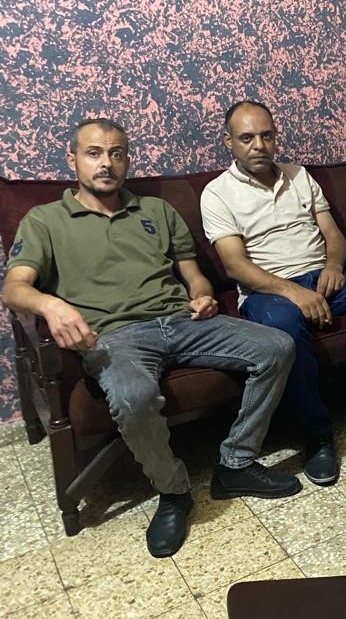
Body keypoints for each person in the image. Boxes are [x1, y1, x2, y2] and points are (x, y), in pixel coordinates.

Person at [2, 119, 300, 559]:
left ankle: (236, 462)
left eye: (116, 153)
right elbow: (14, 289)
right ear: (73, 159)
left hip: (182, 320)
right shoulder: (45, 220)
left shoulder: (156, 211)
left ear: (127, 160)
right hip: (115, 336)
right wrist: (51, 305)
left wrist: (202, 295)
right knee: (133, 396)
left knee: (277, 347)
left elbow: (194, 275)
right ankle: (173, 490)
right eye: (94, 153)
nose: (106, 163)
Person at [200, 100, 346, 486]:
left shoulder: (299, 175)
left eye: (266, 135)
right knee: (283, 323)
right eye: (247, 138)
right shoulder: (217, 193)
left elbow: (332, 233)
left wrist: (333, 266)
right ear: (228, 141)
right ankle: (317, 435)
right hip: (266, 291)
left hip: (321, 276)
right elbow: (235, 265)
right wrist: (293, 293)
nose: (259, 145)